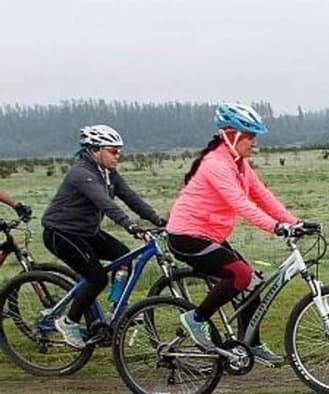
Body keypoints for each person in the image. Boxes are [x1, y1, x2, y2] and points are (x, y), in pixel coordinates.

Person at [169, 102, 312, 366]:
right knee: (241, 274)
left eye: (254, 137)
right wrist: (276, 227)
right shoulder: (216, 164)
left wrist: (295, 222)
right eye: (250, 136)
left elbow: (262, 196)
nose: (254, 143)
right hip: (186, 236)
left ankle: (250, 344)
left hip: (210, 234)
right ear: (232, 135)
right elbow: (241, 204)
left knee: (252, 283)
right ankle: (196, 319)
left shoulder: (240, 164)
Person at [43, 124, 166, 348]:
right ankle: (68, 321)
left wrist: (159, 220)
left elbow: (131, 198)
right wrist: (130, 225)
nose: (117, 156)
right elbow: (105, 203)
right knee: (97, 277)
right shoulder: (82, 173)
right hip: (61, 233)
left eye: (118, 151)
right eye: (113, 151)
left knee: (124, 258)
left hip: (87, 232)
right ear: (95, 150)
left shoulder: (109, 174)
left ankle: (116, 308)